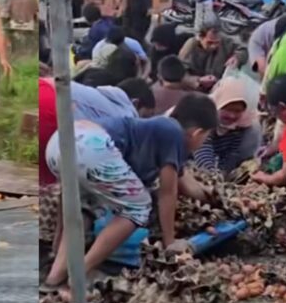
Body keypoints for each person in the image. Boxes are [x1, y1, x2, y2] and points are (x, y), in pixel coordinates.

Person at [43, 94, 219, 289]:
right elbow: (168, 192)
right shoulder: (174, 132)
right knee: (138, 206)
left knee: (84, 207)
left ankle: (55, 276)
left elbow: (185, 182)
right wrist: (170, 241)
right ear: (197, 133)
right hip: (92, 146)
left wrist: (212, 195)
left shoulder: (159, 130)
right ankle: (80, 273)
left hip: (63, 142)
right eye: (206, 137)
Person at [38, 77, 155, 184]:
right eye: (144, 116)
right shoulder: (126, 115)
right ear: (136, 103)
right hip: (54, 108)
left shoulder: (100, 95)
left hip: (45, 85)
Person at [192, 77, 262, 173]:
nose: (232, 115)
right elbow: (203, 148)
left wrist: (223, 173)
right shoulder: (205, 115)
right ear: (218, 105)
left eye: (237, 111)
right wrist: (211, 174)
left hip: (219, 161)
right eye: (227, 109)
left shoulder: (243, 124)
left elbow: (232, 152)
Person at [179, 23, 247, 89]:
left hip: (219, 85)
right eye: (209, 42)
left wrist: (236, 57)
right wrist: (198, 80)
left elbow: (243, 50)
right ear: (200, 38)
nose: (213, 46)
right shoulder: (190, 46)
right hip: (196, 88)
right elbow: (180, 73)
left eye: (216, 42)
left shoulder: (224, 41)